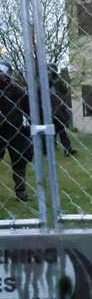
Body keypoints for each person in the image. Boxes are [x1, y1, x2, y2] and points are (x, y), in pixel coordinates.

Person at [0, 60, 32, 201]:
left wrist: (28, 126)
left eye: (3, 73)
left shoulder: (17, 90)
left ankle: (21, 192)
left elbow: (28, 109)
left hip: (16, 131)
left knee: (19, 162)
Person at [48, 67, 77, 156]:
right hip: (55, 108)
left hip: (53, 108)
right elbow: (64, 90)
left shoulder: (49, 80)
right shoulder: (54, 81)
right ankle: (66, 150)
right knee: (59, 131)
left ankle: (65, 149)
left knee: (58, 130)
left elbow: (64, 91)